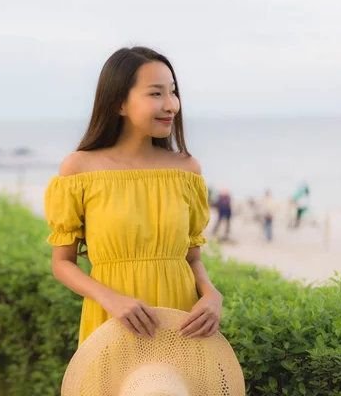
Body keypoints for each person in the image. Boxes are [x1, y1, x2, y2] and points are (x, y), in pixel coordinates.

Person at [43, 46, 222, 347]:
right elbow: (62, 263)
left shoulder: (187, 170)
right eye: (156, 94)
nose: (171, 105)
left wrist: (212, 295)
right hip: (113, 323)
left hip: (181, 324)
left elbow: (192, 259)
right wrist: (109, 298)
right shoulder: (79, 169)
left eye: (173, 92)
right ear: (119, 104)